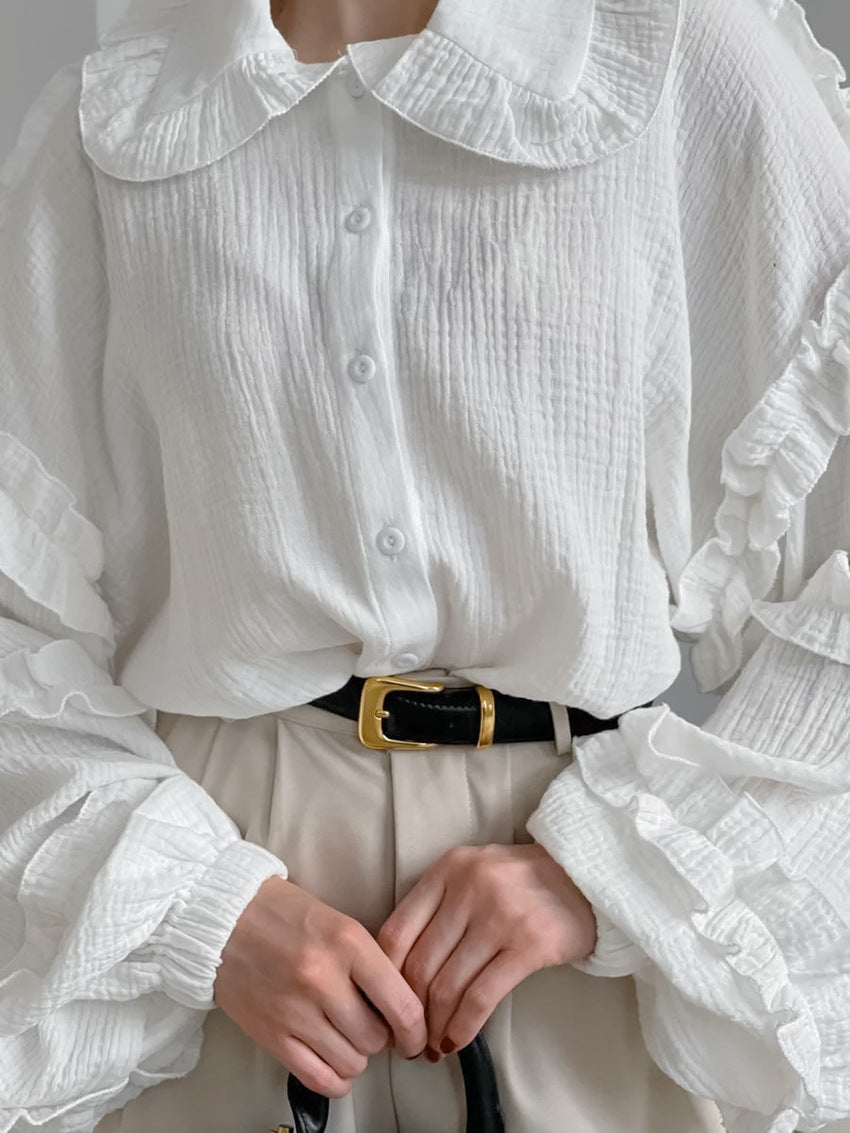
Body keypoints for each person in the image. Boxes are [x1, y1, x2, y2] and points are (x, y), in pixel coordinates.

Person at [1, 0, 850, 1130]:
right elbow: (15, 614)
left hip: (573, 917)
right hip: (230, 929)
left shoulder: (668, 61)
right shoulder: (121, 124)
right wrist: (202, 909)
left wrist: (609, 870)